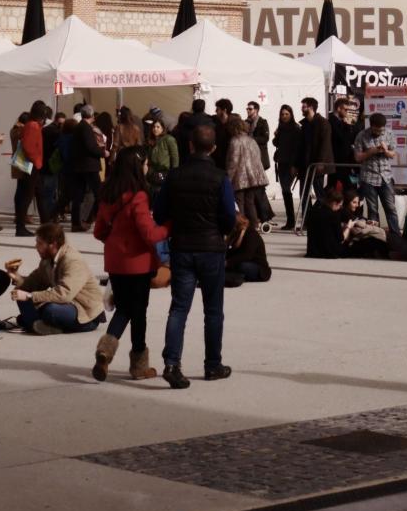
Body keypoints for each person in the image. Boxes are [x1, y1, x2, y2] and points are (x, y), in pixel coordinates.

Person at [153, 123, 235, 389]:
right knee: (213, 311)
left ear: (189, 145)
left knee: (179, 308)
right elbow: (229, 217)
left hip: (183, 246)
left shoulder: (175, 176)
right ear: (213, 148)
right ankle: (213, 364)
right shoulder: (220, 177)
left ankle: (172, 363)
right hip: (211, 247)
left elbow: (160, 213)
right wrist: (220, 231)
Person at [91, 149, 170, 381]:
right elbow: (149, 233)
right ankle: (139, 366)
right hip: (138, 264)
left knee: (124, 308)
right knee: (139, 314)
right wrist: (167, 228)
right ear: (137, 167)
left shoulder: (108, 194)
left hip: (115, 262)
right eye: (144, 163)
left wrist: (117, 242)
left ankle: (105, 350)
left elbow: (99, 231)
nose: (147, 167)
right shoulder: (139, 196)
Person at [7, 222, 105, 335]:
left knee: (50, 310)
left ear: (52, 244)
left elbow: (64, 294)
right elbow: (34, 282)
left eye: (39, 243)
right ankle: (39, 325)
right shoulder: (47, 260)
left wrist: (30, 296)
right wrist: (16, 277)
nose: (36, 247)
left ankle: (35, 322)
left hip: (85, 313)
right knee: (20, 295)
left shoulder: (73, 261)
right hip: (66, 304)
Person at [353, 113, 401, 235]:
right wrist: (372, 151)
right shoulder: (362, 135)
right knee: (372, 210)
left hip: (386, 176)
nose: (379, 132)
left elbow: (393, 154)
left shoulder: (389, 133)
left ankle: (396, 236)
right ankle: (376, 237)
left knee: (390, 208)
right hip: (368, 177)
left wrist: (385, 150)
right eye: (376, 130)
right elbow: (358, 157)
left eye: (381, 130)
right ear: (371, 126)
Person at [8, 104, 47, 238]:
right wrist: (36, 161)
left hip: (32, 165)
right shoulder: (33, 126)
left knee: (35, 194)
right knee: (26, 196)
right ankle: (21, 227)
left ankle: (44, 223)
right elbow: (29, 146)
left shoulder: (31, 125)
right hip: (32, 165)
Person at [226, 112, 270, 227]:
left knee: (239, 201)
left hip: (240, 177)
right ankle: (254, 224)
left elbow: (233, 162)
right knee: (250, 202)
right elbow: (257, 157)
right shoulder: (251, 140)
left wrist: (228, 179)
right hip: (253, 177)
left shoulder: (235, 141)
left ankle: (241, 225)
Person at [66, 106, 105, 231]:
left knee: (78, 195)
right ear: (92, 115)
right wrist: (103, 152)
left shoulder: (78, 127)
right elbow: (91, 147)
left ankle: (76, 222)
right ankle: (90, 219)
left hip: (79, 165)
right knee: (99, 193)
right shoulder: (86, 128)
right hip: (89, 166)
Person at [272, 104, 303, 230]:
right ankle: (290, 220)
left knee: (286, 190)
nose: (284, 116)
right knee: (285, 191)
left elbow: (297, 149)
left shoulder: (296, 129)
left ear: (291, 115)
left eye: (286, 114)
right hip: (282, 163)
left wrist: (294, 165)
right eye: (282, 114)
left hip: (290, 164)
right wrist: (276, 135)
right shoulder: (281, 128)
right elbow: (276, 143)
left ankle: (291, 220)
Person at [226, 215, 272, 285]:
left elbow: (246, 255)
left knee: (242, 266)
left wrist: (228, 262)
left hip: (258, 267)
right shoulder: (235, 234)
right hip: (242, 262)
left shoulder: (251, 234)